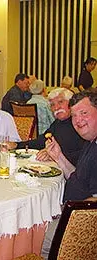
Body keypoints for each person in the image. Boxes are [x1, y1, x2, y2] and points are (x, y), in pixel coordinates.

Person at [41, 90, 97, 258]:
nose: (78, 120)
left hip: (81, 225)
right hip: (69, 209)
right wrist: (59, 157)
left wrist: (66, 213)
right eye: (74, 115)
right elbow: (78, 177)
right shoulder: (91, 142)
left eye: (84, 113)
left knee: (34, 238)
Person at [7, 88, 87, 166]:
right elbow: (41, 141)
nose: (56, 108)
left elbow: (82, 153)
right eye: (52, 105)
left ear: (71, 103)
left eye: (60, 102)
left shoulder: (80, 123)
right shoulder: (58, 123)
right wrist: (17, 145)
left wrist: (55, 156)